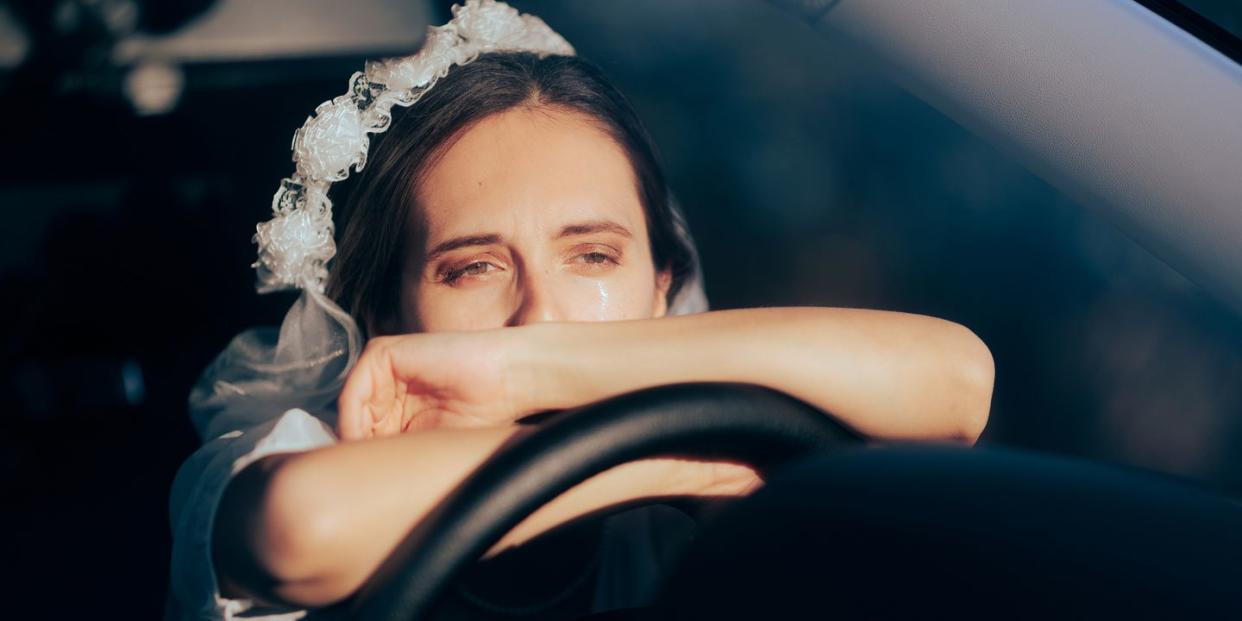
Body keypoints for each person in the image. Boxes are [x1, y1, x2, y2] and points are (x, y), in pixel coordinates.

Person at [167, 2, 994, 619]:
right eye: (473, 267)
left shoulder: (662, 534)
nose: (540, 314)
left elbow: (957, 382)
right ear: (384, 313)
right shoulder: (300, 451)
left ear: (662, 282)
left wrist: (525, 368)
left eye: (593, 255)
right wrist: (685, 458)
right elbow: (296, 528)